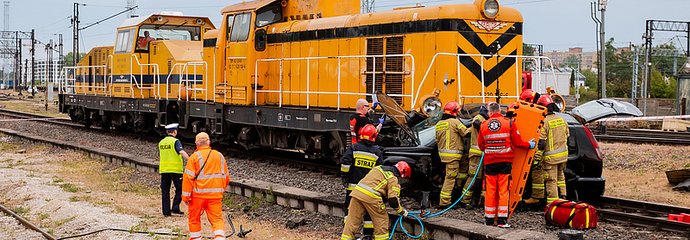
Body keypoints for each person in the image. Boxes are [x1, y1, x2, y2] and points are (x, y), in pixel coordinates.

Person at [479, 102, 535, 228]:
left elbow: (481, 145)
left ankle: (489, 219)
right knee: (503, 191)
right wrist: (529, 145)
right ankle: (502, 220)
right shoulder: (508, 123)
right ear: (500, 111)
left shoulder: (483, 125)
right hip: (505, 162)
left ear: (490, 112)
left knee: (490, 191)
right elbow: (517, 141)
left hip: (490, 162)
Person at [340, 161, 412, 240]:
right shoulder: (393, 178)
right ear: (402, 173)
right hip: (371, 197)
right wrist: (401, 211)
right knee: (382, 219)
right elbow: (393, 200)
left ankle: (345, 238)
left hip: (356, 193)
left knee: (352, 220)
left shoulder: (379, 168)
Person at [182, 132, 231, 240]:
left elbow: (188, 178)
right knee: (217, 219)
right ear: (209, 142)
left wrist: (185, 197)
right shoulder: (219, 156)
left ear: (196, 143)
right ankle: (219, 238)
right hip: (215, 196)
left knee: (194, 219)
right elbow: (227, 177)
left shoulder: (194, 157)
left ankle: (196, 238)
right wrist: (220, 190)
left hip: (197, 196)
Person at [340, 124, 383, 239]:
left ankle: (347, 230)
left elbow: (345, 163)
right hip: (369, 190)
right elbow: (379, 171)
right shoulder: (377, 153)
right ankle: (368, 235)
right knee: (369, 212)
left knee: (349, 209)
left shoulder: (354, 148)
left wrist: (345, 177)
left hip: (353, 188)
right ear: (374, 137)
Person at [525, 95, 569, 205]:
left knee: (551, 180)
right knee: (561, 178)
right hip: (563, 156)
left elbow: (541, 143)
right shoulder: (561, 119)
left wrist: (536, 159)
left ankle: (553, 205)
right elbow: (567, 135)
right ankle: (563, 199)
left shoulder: (545, 122)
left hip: (551, 158)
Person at [435, 101, 469, 208]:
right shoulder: (454, 122)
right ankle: (445, 202)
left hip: (443, 156)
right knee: (450, 178)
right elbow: (466, 132)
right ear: (455, 111)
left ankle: (456, 194)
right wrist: (475, 126)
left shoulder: (439, 124)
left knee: (453, 176)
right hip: (453, 157)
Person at [158, 123, 190, 216]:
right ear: (175, 131)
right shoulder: (176, 141)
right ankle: (175, 207)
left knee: (165, 191)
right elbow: (181, 152)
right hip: (176, 170)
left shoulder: (161, 143)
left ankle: (166, 211)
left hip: (164, 170)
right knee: (180, 189)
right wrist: (191, 160)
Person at [461, 105, 489, 208]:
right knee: (473, 178)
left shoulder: (485, 119)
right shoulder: (479, 118)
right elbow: (476, 123)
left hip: (483, 154)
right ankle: (465, 200)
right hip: (477, 154)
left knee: (481, 179)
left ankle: (478, 201)